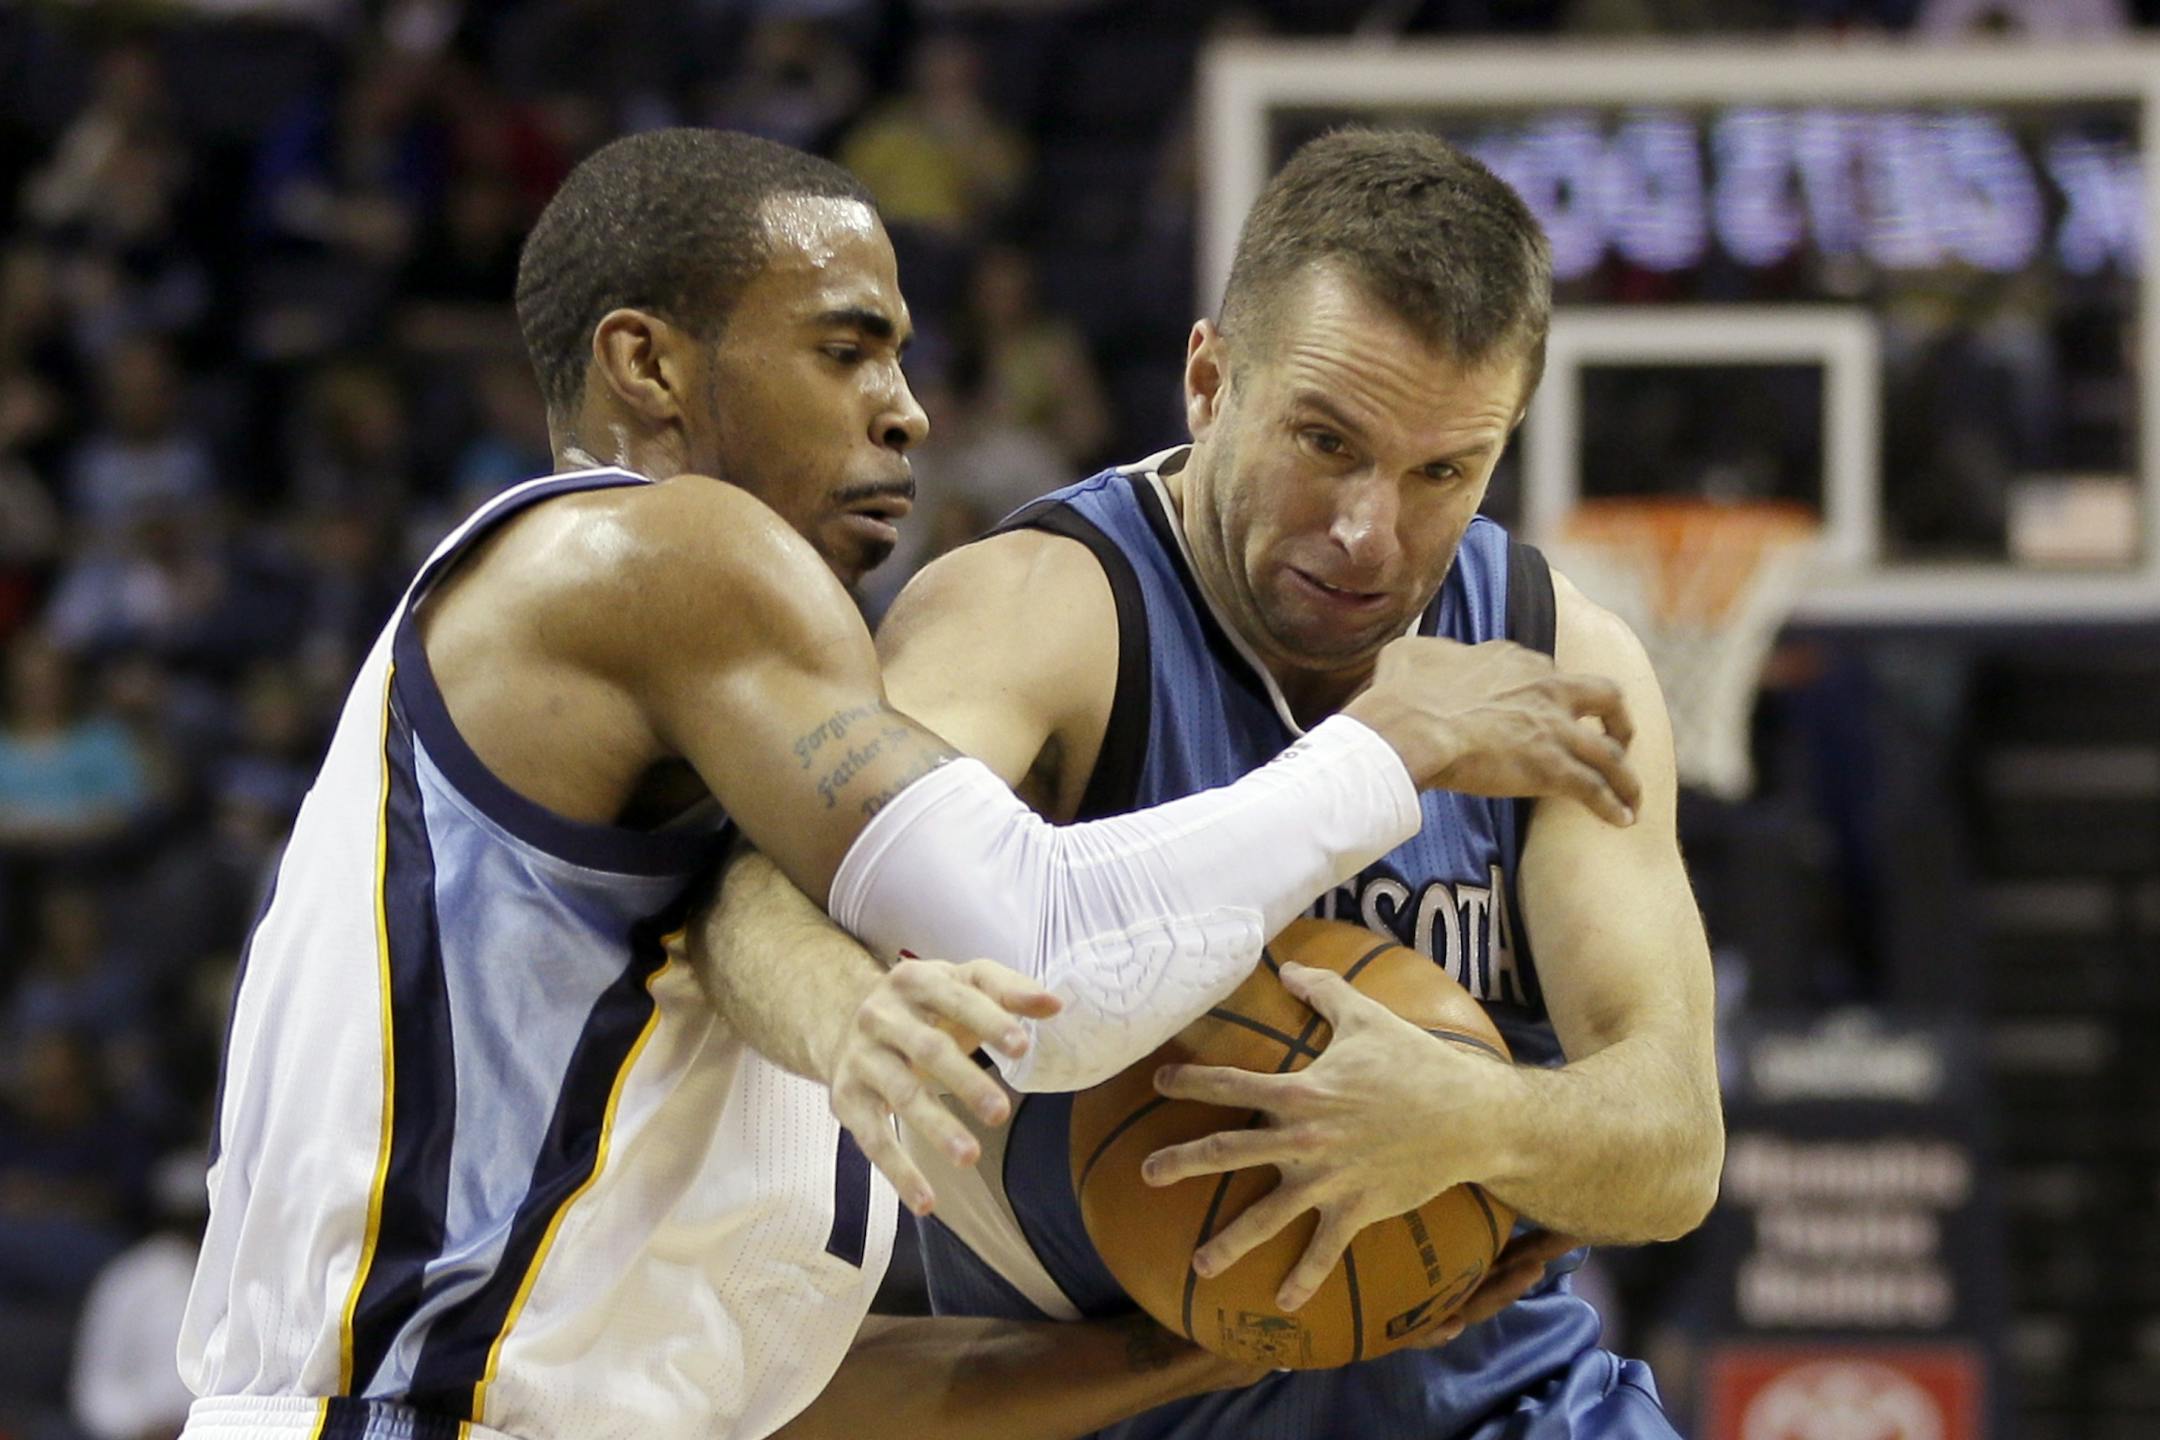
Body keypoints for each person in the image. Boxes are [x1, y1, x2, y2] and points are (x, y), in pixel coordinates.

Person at [176, 128, 1644, 1440]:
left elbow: (788, 1397)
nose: (907, 412)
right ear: (648, 366)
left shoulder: (704, 761)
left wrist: (1233, 1339)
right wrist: (1390, 747)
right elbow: (1043, 960)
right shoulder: (663, 550)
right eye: (845, 351)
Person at [699, 128, 1721, 1438]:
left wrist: (1468, 1119)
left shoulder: (1553, 657)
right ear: (1208, 381)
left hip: (1510, 1407)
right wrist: (847, 1014)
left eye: (1442, 473)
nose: (1367, 532)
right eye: (1326, 441)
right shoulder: (1043, 615)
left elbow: (1675, 1146)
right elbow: (751, 886)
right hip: (1127, 1410)